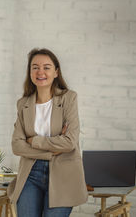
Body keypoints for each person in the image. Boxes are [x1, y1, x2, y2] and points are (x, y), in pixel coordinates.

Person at [8, 48, 88, 217]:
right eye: (35, 67)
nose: (40, 72)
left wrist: (33, 141)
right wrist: (52, 151)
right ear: (30, 72)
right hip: (30, 174)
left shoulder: (69, 98)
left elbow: (69, 142)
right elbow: (17, 146)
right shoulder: (23, 104)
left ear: (56, 72)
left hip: (63, 175)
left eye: (46, 67)